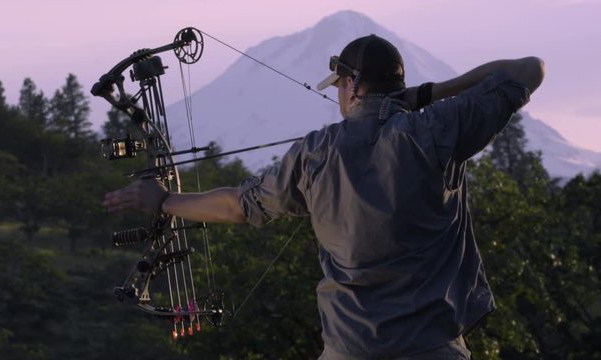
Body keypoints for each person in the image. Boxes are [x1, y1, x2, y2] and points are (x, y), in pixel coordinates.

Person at [104, 34, 545, 359]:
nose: (337, 93)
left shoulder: (316, 151)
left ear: (352, 85)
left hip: (349, 350)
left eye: (339, 85)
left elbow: (238, 205)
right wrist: (425, 96)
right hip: (434, 349)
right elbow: (530, 69)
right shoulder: (437, 129)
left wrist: (163, 201)